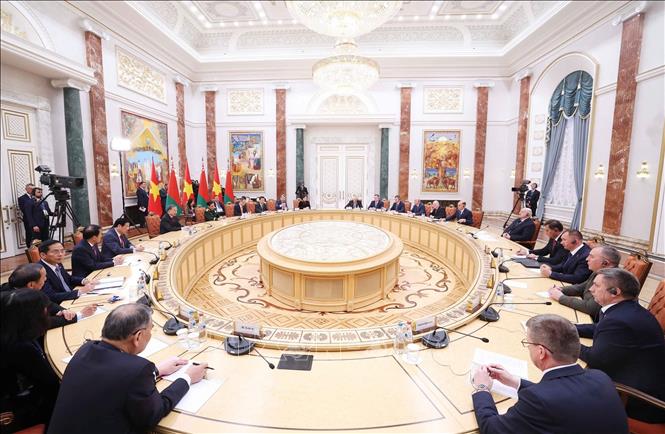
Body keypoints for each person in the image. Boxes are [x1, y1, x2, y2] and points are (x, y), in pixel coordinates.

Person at [48, 303, 208, 434]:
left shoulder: (86, 348)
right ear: (138, 337)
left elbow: (115, 381)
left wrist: (156, 371)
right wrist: (186, 378)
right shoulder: (138, 370)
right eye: (151, 329)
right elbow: (153, 415)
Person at [471, 314, 627, 433]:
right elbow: (559, 395)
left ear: (541, 352)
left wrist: (482, 388)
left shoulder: (538, 400)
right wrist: (514, 381)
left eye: (528, 343)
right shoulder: (600, 377)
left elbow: (492, 428)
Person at [576, 268, 665, 423]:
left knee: (562, 388)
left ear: (615, 292)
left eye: (596, 285)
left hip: (636, 400)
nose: (591, 289)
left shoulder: (619, 321)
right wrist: (567, 328)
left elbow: (595, 359)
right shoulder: (626, 310)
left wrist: (564, 342)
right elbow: (599, 328)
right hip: (636, 378)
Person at [1, 288, 61, 431]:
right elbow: (51, 384)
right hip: (22, 408)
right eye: (44, 309)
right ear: (31, 316)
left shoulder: (10, 331)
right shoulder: (20, 347)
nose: (47, 312)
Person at [2, 263, 95, 329]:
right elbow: (41, 323)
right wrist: (79, 315)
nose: (46, 279)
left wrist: (63, 310)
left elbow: (48, 303)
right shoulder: (16, 300)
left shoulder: (23, 288)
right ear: (31, 285)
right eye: (44, 278)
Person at [548, 245, 621, 321]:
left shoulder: (612, 280)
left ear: (605, 263)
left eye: (591, 257)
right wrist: (560, 289)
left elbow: (590, 308)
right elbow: (581, 288)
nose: (587, 259)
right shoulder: (599, 272)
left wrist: (561, 297)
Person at [39, 239, 95, 304]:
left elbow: (68, 278)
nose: (60, 254)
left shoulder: (57, 263)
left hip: (70, 297)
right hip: (61, 304)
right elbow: (51, 296)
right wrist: (79, 292)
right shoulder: (40, 271)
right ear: (43, 255)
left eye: (62, 251)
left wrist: (84, 281)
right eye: (55, 252)